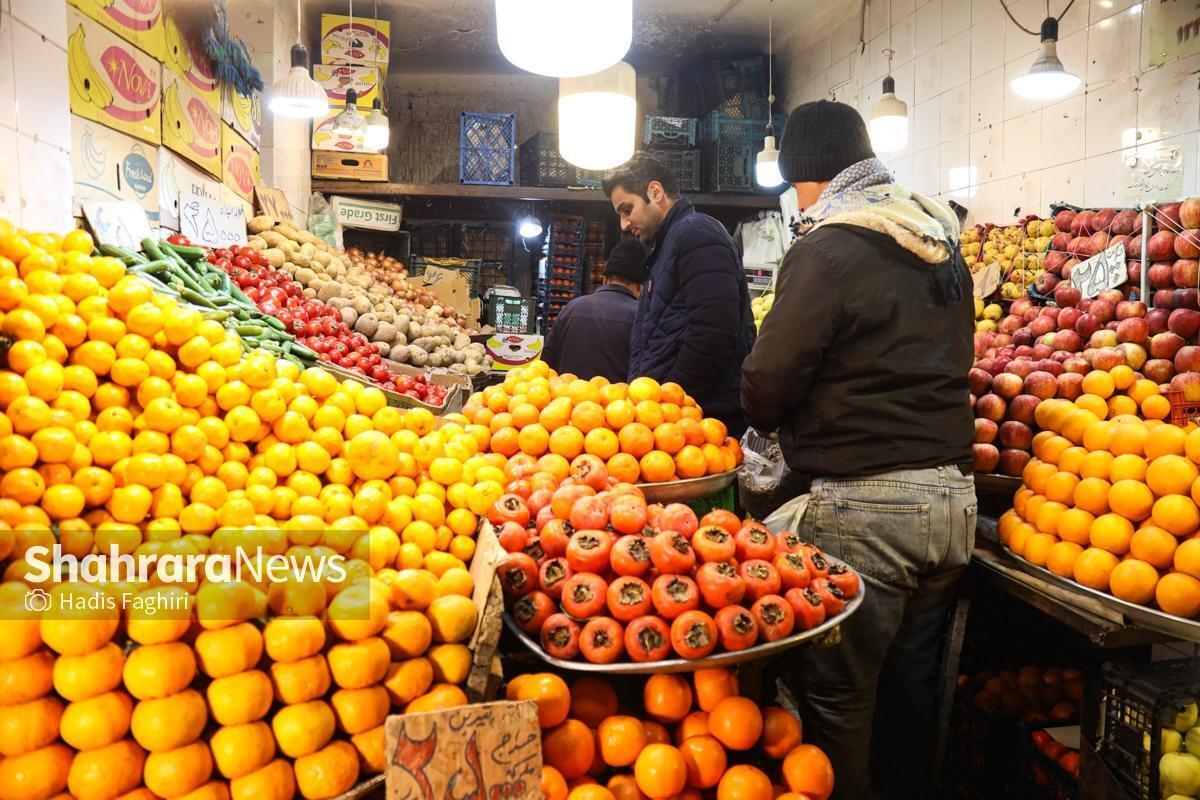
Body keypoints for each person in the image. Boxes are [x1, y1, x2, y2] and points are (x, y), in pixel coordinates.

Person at [740, 101, 976, 800]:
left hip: (868, 511)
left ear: (808, 179)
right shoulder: (941, 241)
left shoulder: (829, 246)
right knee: (911, 692)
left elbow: (766, 382)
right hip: (951, 503)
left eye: (793, 189)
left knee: (840, 702)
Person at [602, 153, 755, 436]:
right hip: (680, 421)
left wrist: (670, 406)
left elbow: (713, 330)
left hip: (702, 423)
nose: (624, 224)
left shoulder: (696, 234)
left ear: (655, 192)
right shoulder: (667, 245)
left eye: (627, 209)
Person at [542, 238, 647, 382]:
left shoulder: (571, 309)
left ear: (605, 279)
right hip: (616, 404)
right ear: (641, 287)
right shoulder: (642, 318)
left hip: (566, 401)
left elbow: (546, 367)